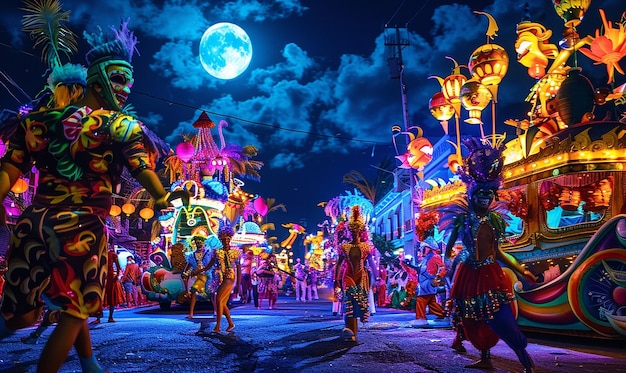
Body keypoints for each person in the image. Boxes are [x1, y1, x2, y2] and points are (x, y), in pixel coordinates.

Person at [0, 18, 187, 373]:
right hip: (81, 228)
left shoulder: (39, 122)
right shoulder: (121, 126)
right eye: (118, 78)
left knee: (19, 317)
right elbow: (140, 167)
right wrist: (161, 196)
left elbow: (12, 166)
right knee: (75, 310)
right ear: (97, 75)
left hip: (33, 225)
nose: (126, 89)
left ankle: (89, 362)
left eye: (129, 82)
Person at [441, 138, 537, 373]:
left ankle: (523, 357)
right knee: (472, 318)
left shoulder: (494, 221)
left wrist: (522, 270)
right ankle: (485, 356)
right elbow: (448, 248)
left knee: (499, 317)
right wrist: (448, 268)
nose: (485, 197)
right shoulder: (462, 219)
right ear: (472, 194)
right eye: (481, 192)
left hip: (489, 274)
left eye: (489, 193)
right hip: (467, 274)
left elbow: (499, 252)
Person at [334, 205, 377, 342]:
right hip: (347, 276)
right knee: (349, 301)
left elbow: (372, 264)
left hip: (362, 277)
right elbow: (339, 264)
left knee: (360, 303)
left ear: (361, 231)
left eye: (357, 231)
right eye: (352, 231)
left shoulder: (366, 246)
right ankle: (350, 329)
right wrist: (336, 279)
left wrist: (378, 278)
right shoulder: (344, 247)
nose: (354, 233)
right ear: (349, 231)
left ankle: (354, 331)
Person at [204, 225, 240, 333]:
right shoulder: (217, 252)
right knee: (222, 303)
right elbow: (209, 265)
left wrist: (238, 285)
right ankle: (230, 324)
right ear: (220, 239)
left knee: (218, 300)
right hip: (220, 278)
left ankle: (218, 326)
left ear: (230, 239)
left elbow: (239, 270)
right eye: (223, 239)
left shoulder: (236, 252)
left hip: (229, 277)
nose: (226, 241)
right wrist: (198, 271)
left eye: (227, 239)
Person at [413, 237, 447, 326]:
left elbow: (442, 268)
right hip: (425, 283)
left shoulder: (435, 257)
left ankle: (421, 318)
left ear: (429, 248)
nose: (421, 250)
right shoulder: (426, 258)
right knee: (431, 302)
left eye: (424, 248)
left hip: (429, 282)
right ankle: (442, 314)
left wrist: (438, 277)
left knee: (421, 300)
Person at [181, 233, 214, 319]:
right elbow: (188, 266)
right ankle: (191, 313)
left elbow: (212, 263)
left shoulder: (209, 253)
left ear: (203, 243)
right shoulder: (192, 255)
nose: (199, 244)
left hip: (209, 276)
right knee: (193, 290)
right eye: (197, 242)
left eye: (200, 242)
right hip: (200, 277)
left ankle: (216, 311)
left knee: (212, 293)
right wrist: (185, 273)